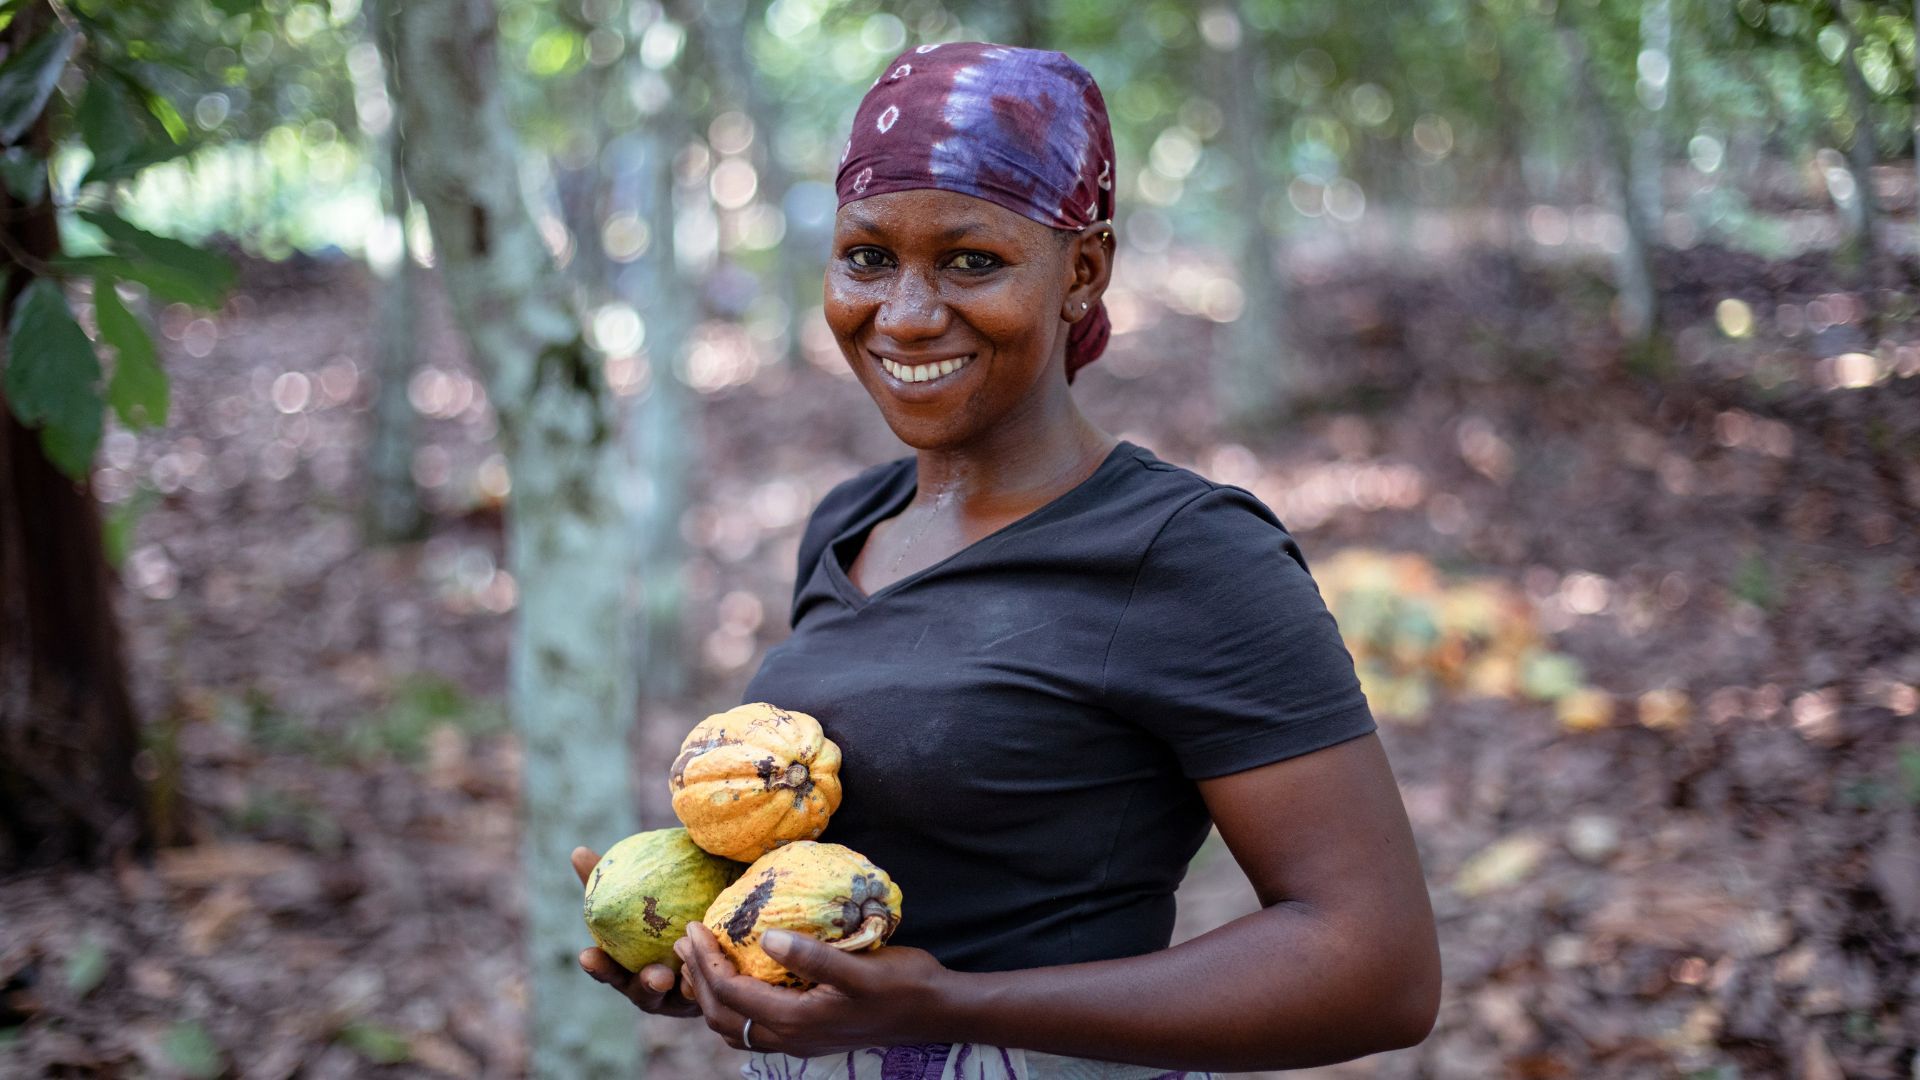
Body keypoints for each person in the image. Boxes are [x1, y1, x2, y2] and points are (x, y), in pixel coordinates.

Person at [569, 41, 1440, 1079]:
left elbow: (1378, 968)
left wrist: (946, 1005)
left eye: (971, 260)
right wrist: (720, 950)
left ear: (1084, 270)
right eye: (867, 257)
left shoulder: (1187, 553)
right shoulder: (853, 523)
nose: (904, 313)